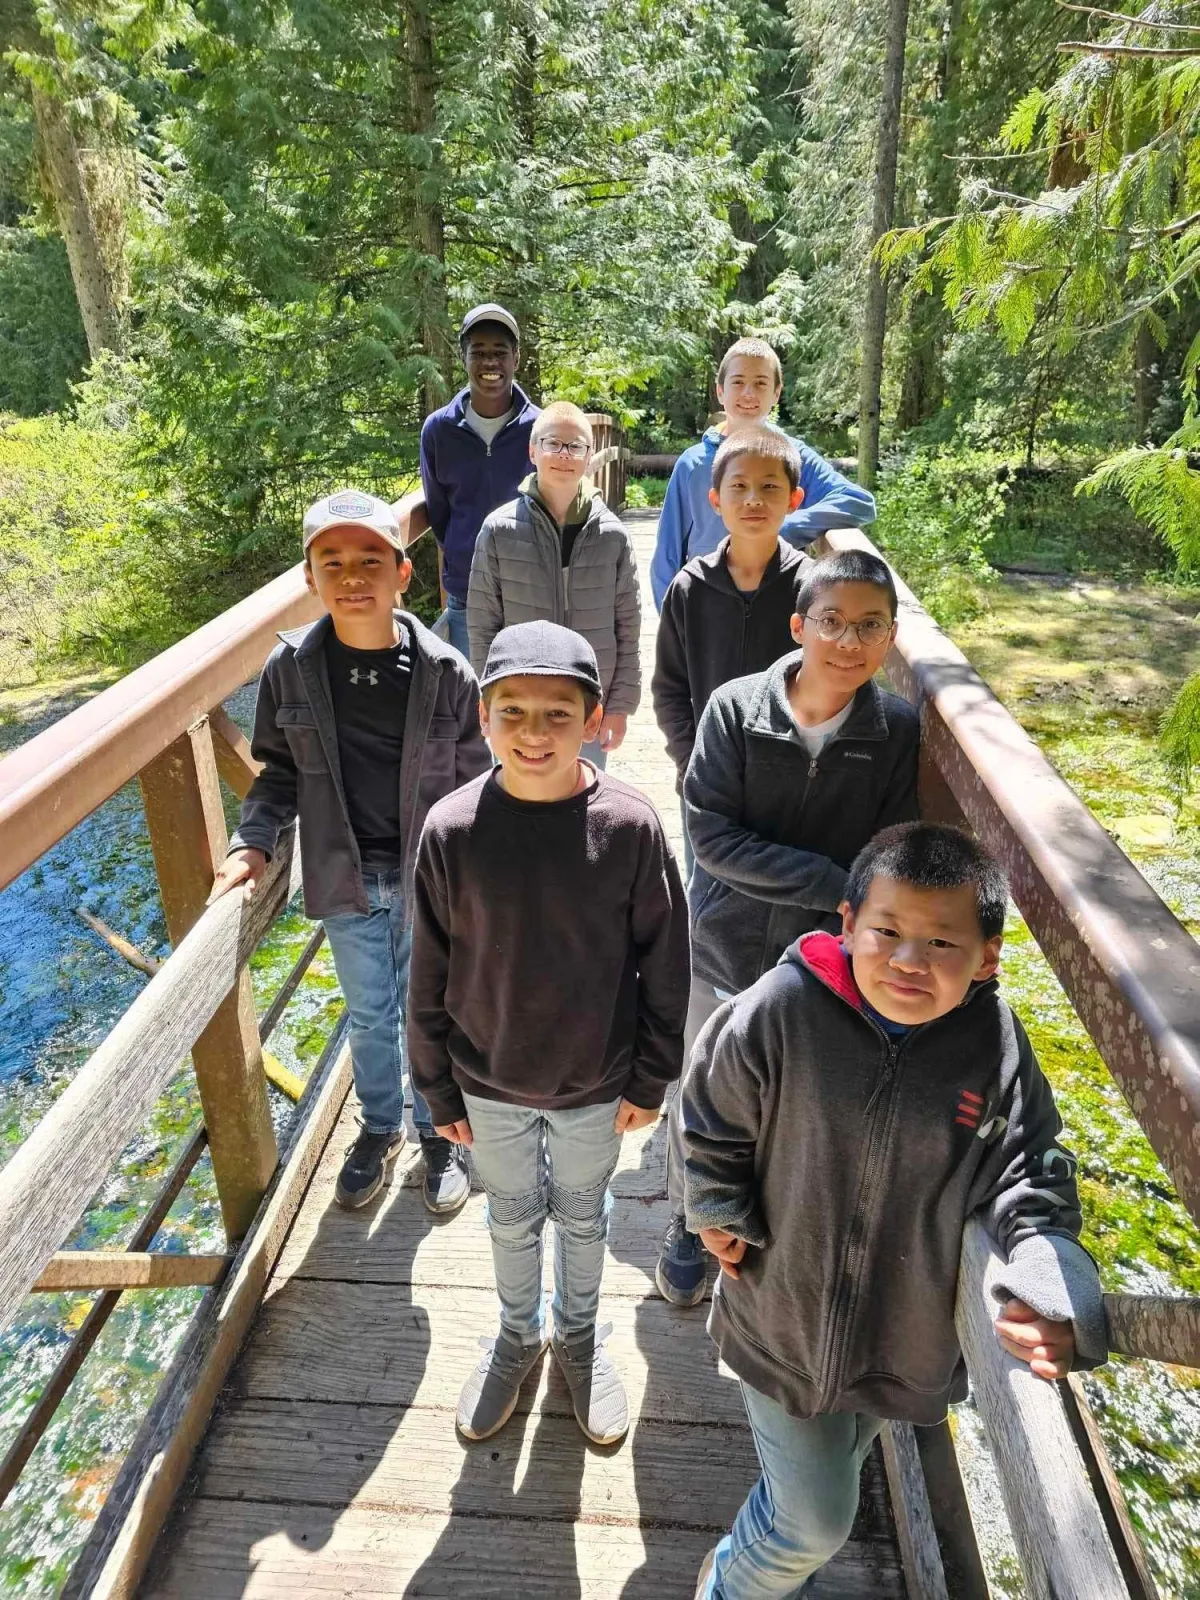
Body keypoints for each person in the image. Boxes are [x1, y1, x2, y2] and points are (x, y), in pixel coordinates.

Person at [682, 822, 1107, 1599]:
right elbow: (711, 1106)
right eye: (886, 931)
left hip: (902, 1335)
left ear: (988, 958)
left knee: (820, 1484)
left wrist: (1048, 1272)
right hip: (778, 1316)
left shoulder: (995, 1049)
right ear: (846, 926)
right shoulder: (782, 1009)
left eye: (943, 944)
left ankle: (756, 1555)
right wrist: (714, 1204)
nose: (909, 961)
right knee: (816, 1522)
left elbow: (1031, 1172)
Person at [407, 621, 690, 1446]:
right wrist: (434, 1086)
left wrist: (651, 1077)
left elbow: (664, 961)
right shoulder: (450, 830)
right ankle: (517, 1331)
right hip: (485, 1080)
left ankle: (578, 1334)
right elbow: (425, 973)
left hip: (594, 1079)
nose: (536, 733)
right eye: (514, 711)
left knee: (584, 1213)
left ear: (596, 719)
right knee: (510, 1214)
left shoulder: (630, 826)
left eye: (558, 714)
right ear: (483, 716)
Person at [210, 489, 491, 1214]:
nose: (351, 574)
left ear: (404, 573)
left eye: (370, 558)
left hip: (429, 877)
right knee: (369, 1014)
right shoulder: (290, 671)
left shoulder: (446, 671)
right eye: (330, 561)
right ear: (309, 580)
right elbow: (274, 774)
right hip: (343, 874)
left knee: (434, 1008)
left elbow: (473, 785)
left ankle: (441, 1132)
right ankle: (381, 1124)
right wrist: (252, 844)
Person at [655, 548, 920, 1309]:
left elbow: (894, 843)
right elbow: (711, 837)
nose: (848, 641)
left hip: (822, 959)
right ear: (799, 625)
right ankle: (690, 1213)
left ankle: (761, 1219)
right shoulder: (735, 710)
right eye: (832, 621)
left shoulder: (893, 729)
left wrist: (864, 907)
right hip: (725, 940)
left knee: (788, 1093)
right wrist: (837, 886)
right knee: (702, 1081)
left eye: (870, 626)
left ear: (890, 637)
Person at [652, 424, 811, 875]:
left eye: (769, 488)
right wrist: (690, 760)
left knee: (782, 889)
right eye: (738, 487)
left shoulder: (812, 589)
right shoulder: (689, 588)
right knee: (705, 888)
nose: (753, 500)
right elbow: (669, 687)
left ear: (793, 500)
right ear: (715, 500)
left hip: (788, 781)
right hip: (706, 780)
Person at [466, 401, 641, 769]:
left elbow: (629, 626)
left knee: (583, 797)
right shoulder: (499, 530)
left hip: (587, 698)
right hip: (519, 700)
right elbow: (482, 625)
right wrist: (489, 698)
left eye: (575, 446)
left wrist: (621, 705)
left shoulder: (612, 535)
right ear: (533, 451)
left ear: (590, 456)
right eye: (552, 443)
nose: (564, 455)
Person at [649, 337, 875, 611]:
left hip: (775, 602)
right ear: (720, 391)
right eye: (738, 382)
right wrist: (672, 625)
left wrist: (787, 527)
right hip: (705, 604)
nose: (748, 393)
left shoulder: (793, 456)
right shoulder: (693, 464)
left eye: (760, 383)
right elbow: (667, 556)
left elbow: (859, 502)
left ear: (776, 394)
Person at [419, 303, 540, 656]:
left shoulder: (541, 429)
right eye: (480, 352)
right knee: (474, 703)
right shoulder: (439, 430)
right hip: (466, 593)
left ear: (516, 358)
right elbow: (439, 514)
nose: (490, 363)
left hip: (530, 592)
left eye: (500, 352)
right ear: (463, 356)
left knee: (528, 700)